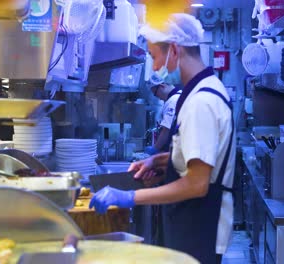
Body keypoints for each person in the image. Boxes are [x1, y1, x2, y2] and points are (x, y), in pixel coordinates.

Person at [89, 13, 236, 263]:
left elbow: (197, 183)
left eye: (155, 57)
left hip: (198, 227)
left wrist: (129, 197)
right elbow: (200, 156)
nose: (155, 67)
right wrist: (159, 162)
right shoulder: (202, 91)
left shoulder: (201, 102)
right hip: (192, 221)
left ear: (175, 51)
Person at [144, 78, 182, 155]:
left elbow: (166, 130)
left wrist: (155, 148)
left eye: (156, 94)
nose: (158, 97)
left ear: (162, 86)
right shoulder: (180, 95)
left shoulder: (172, 101)